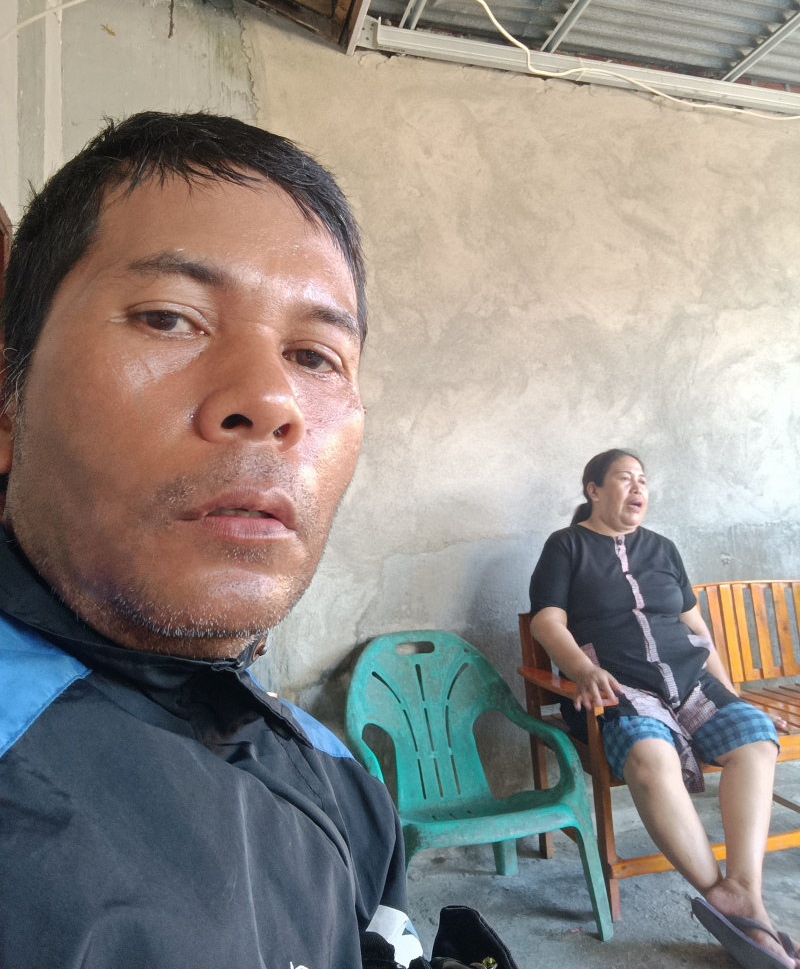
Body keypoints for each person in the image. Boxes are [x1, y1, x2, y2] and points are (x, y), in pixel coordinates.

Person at [0, 111, 433, 969]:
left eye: (315, 357)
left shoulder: (342, 780)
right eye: (169, 318)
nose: (271, 401)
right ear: (9, 405)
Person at [529, 449, 797, 969]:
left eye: (644, 481)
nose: (638, 488)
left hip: (692, 682)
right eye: (624, 479)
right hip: (619, 688)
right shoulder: (566, 546)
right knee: (652, 756)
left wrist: (734, 696)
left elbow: (698, 630)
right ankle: (725, 897)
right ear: (593, 489)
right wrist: (582, 670)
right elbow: (547, 622)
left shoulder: (663, 548)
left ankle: (742, 891)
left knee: (755, 737)